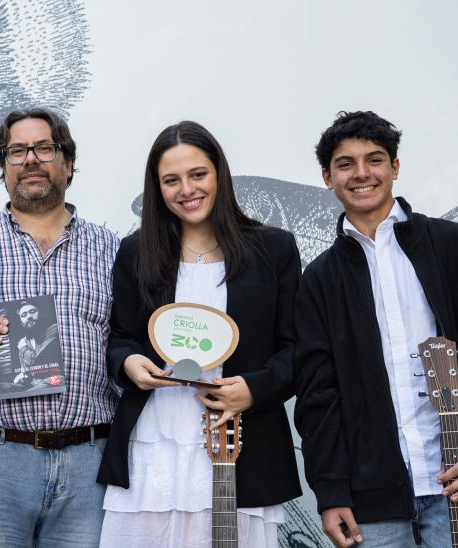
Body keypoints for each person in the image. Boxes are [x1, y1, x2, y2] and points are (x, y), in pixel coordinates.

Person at [293, 111, 458, 548]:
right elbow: (317, 397)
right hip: (373, 498)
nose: (362, 173)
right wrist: (330, 492)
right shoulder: (319, 280)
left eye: (375, 159)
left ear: (395, 167)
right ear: (327, 176)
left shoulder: (451, 244)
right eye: (346, 164)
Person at [96, 121, 302, 547]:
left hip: (243, 444)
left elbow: (298, 348)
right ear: (157, 188)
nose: (186, 189)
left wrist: (253, 389)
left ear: (219, 174)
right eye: (171, 180)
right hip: (155, 443)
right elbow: (120, 338)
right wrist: (131, 364)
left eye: (198, 174)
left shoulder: (274, 249)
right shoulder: (136, 252)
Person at [0, 107, 119, 547]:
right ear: (3, 167)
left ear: (68, 163)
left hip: (88, 462)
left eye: (44, 148)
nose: (30, 159)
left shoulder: (113, 249)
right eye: (17, 151)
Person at [14, 300, 60, 386]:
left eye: (32, 312)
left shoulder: (54, 329)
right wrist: (22, 375)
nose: (29, 317)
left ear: (41, 313)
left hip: (54, 380)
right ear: (21, 323)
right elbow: (26, 370)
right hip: (33, 383)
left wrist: (23, 348)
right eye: (23, 315)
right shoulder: (25, 341)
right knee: (3, 386)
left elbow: (37, 359)